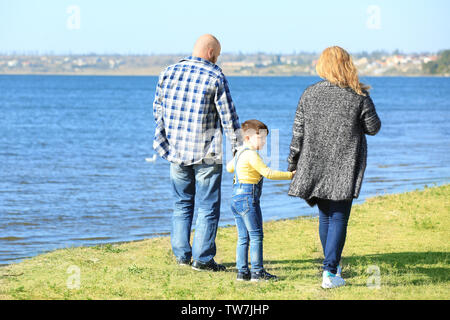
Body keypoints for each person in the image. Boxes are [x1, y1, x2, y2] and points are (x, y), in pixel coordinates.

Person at [287, 46, 381, 289]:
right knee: (338, 216)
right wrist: (363, 97)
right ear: (347, 65)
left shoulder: (309, 94)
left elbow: (298, 132)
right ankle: (329, 272)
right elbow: (373, 127)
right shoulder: (358, 95)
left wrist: (292, 163)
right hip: (343, 165)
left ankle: (333, 266)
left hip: (314, 165)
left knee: (326, 216)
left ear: (323, 66)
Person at [153, 34, 241, 272]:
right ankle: (202, 259)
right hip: (207, 154)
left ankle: (182, 256)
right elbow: (229, 119)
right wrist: (238, 149)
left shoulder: (168, 72)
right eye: (218, 55)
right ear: (211, 52)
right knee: (207, 206)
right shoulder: (215, 75)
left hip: (176, 151)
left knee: (181, 203)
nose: (217, 59)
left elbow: (157, 111)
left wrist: (167, 138)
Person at [227, 120, 295, 282]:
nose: (264, 142)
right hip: (248, 197)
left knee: (243, 237)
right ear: (248, 138)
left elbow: (229, 168)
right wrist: (290, 175)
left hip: (236, 197)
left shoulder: (241, 153)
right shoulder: (251, 154)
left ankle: (242, 272)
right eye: (261, 138)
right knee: (256, 236)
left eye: (265, 138)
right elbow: (268, 173)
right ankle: (257, 272)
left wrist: (238, 158)